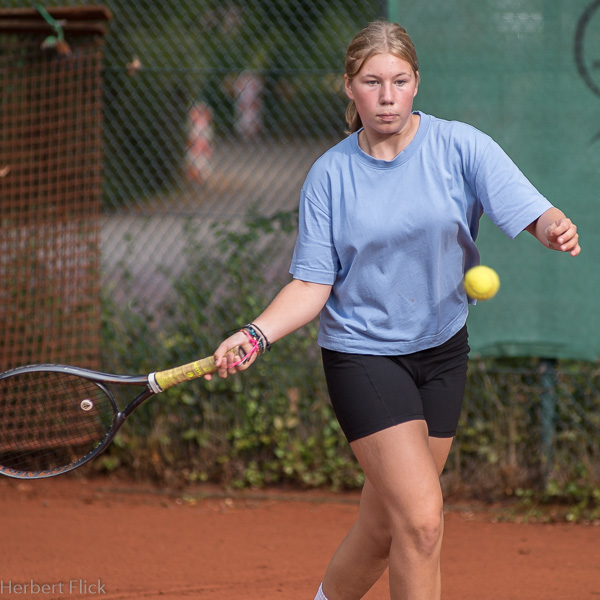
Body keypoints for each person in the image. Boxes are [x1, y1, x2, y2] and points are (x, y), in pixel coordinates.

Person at [205, 20, 581, 600]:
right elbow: (311, 285)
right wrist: (256, 334)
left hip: (442, 352)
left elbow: (533, 209)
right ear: (350, 88)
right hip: (363, 356)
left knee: (386, 528)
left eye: (399, 81)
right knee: (424, 520)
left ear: (416, 83)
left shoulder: (459, 146)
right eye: (372, 82)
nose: (387, 96)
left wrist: (553, 227)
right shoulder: (330, 176)